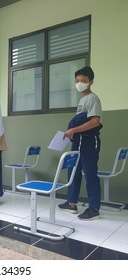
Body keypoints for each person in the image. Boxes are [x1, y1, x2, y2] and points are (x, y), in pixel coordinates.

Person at [58, 66, 103, 220]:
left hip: (89, 142)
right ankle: (71, 204)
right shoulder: (82, 99)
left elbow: (95, 122)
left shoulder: (92, 98)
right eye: (77, 81)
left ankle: (94, 209)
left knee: (90, 174)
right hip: (79, 141)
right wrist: (73, 132)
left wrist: (73, 130)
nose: (79, 83)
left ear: (91, 82)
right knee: (73, 172)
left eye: (83, 81)